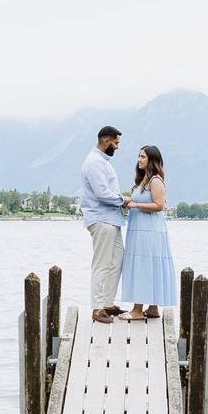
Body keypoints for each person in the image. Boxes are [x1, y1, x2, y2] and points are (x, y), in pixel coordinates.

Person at [117, 144, 178, 318]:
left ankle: (137, 310)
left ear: (152, 160)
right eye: (139, 156)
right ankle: (152, 308)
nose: (139, 160)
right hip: (140, 230)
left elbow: (159, 205)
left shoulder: (156, 180)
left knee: (144, 265)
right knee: (147, 264)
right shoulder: (142, 181)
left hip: (149, 231)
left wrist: (135, 204)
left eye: (143, 157)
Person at [79, 125, 127, 322]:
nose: (117, 147)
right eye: (116, 143)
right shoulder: (95, 163)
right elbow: (102, 193)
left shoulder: (103, 161)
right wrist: (124, 200)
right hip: (101, 219)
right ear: (106, 140)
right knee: (101, 264)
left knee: (117, 260)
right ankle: (97, 308)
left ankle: (108, 303)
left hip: (112, 219)